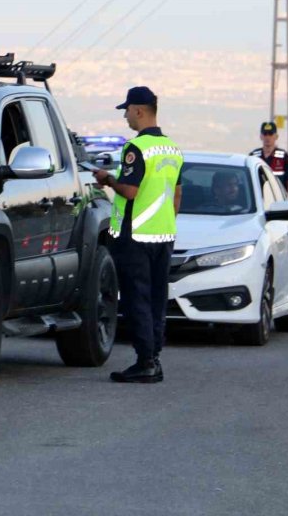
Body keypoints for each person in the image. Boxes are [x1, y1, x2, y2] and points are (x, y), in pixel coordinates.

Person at [92, 86, 183, 383]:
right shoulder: (171, 148)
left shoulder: (137, 148)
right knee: (157, 298)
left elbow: (130, 191)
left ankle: (145, 362)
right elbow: (177, 195)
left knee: (136, 299)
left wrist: (108, 180)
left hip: (136, 236)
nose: (126, 117)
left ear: (140, 110)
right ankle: (154, 356)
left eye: (127, 111)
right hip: (163, 234)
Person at [250, 121, 288, 198]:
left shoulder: (283, 157)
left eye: (270, 134)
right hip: (259, 200)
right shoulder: (253, 156)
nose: (267, 137)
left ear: (276, 136)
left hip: (279, 201)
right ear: (261, 136)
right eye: (265, 134)